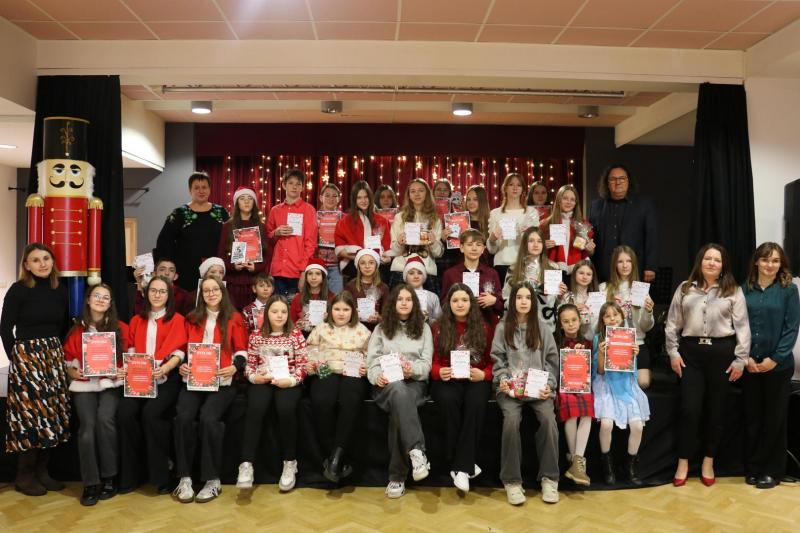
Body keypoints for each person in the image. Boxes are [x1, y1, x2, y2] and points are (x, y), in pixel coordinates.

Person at [665, 243, 750, 487]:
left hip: (721, 355)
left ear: (723, 265)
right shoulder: (684, 288)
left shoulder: (733, 290)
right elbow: (672, 324)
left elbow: (743, 327)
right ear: (700, 262)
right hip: (690, 354)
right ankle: (683, 461)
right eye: (708, 258)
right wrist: (673, 353)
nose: (712, 263)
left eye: (717, 260)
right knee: (689, 410)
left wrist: (740, 360)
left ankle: (708, 461)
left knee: (716, 410)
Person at [1, 243, 70, 496]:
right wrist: (18, 358)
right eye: (36, 260)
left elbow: (63, 326)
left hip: (53, 356)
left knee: (51, 414)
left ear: (52, 262)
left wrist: (57, 355)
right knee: (30, 416)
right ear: (27, 265)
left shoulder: (59, 290)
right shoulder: (18, 290)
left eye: (46, 258)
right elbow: (5, 328)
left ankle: (43, 472)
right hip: (27, 357)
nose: (42, 264)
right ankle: (25, 475)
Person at [172, 277, 248, 503]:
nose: (211, 293)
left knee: (208, 418)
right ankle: (185, 478)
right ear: (201, 294)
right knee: (183, 418)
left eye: (215, 289)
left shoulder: (234, 318)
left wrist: (234, 367)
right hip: (194, 381)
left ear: (222, 292)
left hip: (222, 381)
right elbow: (182, 349)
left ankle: (212, 479)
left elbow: (241, 350)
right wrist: (182, 365)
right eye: (206, 290)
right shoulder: (191, 318)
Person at [491, 281, 560, 505]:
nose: (523, 301)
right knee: (511, 421)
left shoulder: (543, 328)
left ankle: (550, 478)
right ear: (512, 301)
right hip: (511, 391)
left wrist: (549, 384)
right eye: (519, 297)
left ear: (533, 302)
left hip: (538, 390)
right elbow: (498, 360)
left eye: (528, 298)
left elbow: (552, 361)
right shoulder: (502, 328)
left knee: (548, 420)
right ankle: (512, 481)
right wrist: (502, 380)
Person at [118, 276, 187, 494]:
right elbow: (130, 351)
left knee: (151, 414)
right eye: (153, 290)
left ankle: (161, 476)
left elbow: (179, 353)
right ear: (146, 294)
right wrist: (128, 368)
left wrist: (165, 368)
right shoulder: (136, 320)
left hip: (167, 379)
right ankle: (132, 475)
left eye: (162, 291)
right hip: (139, 380)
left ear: (169, 295)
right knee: (125, 413)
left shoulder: (177, 319)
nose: (157, 295)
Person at [62, 284, 128, 506]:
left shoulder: (121, 328)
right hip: (85, 384)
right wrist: (72, 371)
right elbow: (68, 361)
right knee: (87, 429)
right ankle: (91, 482)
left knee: (105, 420)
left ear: (110, 303)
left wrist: (122, 370)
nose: (101, 300)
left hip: (111, 384)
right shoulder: (76, 330)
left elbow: (130, 357)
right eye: (96, 296)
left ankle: (110, 476)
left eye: (105, 297)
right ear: (88, 300)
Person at [741, 243, 800, 489]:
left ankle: (772, 471)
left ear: (780, 264)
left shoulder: (789, 290)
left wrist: (774, 359)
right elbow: (738, 325)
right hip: (750, 365)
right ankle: (754, 468)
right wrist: (746, 358)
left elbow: (791, 328)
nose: (770, 265)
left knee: (774, 420)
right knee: (753, 418)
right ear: (756, 261)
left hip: (778, 366)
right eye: (765, 260)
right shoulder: (744, 289)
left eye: (775, 261)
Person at [367, 284, 433, 499]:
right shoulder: (380, 328)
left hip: (414, 383)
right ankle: (417, 451)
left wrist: (411, 369)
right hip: (386, 384)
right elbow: (372, 362)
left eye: (408, 299)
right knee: (397, 391)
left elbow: (426, 365)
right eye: (400, 299)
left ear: (414, 303)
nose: (404, 303)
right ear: (392, 303)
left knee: (400, 404)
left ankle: (397, 477)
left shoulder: (424, 328)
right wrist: (377, 376)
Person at [237, 295, 307, 493]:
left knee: (285, 408)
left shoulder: (295, 335)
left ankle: (290, 462)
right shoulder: (256, 335)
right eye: (275, 311)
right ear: (267, 313)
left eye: (283, 312)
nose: (279, 315)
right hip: (263, 380)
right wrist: (254, 378)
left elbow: (303, 366)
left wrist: (291, 381)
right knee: (256, 407)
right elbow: (250, 365)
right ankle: (246, 464)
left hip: (288, 381)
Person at [429, 284, 493, 493]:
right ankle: (465, 465)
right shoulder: (438, 327)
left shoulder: (484, 327)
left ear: (471, 303)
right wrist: (438, 371)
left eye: (464, 300)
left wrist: (485, 374)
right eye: (455, 300)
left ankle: (459, 467)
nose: (460, 304)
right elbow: (432, 361)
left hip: (475, 378)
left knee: (476, 403)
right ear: (448, 304)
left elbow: (492, 361)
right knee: (448, 401)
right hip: (448, 378)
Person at [305, 291, 371, 483]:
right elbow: (309, 351)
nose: (341, 313)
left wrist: (365, 367)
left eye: (346, 309)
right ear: (330, 310)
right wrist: (313, 364)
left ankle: (336, 457)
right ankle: (334, 454)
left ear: (353, 311)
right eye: (337, 309)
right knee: (322, 400)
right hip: (326, 369)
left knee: (350, 401)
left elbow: (371, 355)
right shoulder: (321, 328)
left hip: (352, 372)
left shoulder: (363, 331)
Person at [593, 301, 649, 486]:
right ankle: (606, 465)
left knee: (638, 426)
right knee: (606, 424)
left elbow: (631, 371)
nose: (612, 318)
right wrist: (602, 354)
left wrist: (635, 354)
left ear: (622, 316)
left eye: (615, 314)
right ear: (602, 320)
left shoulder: (629, 337)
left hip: (626, 384)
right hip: (607, 383)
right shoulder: (598, 338)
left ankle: (630, 465)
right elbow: (600, 372)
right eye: (607, 316)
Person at [155, 172, 229, 292]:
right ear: (190, 190)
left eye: (204, 187)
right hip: (185, 273)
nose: (201, 191)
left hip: (215, 271)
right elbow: (164, 242)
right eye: (196, 188)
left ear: (210, 189)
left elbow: (230, 238)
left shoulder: (221, 212)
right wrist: (170, 269)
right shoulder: (179, 213)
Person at [588, 165, 658, 282]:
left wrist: (650, 266)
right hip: (603, 271)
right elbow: (590, 238)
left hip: (635, 269)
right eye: (613, 179)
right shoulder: (595, 206)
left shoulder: (644, 205)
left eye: (622, 178)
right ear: (607, 183)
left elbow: (652, 237)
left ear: (628, 181)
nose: (618, 182)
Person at [599, 246, 655, 389]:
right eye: (620, 261)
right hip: (613, 343)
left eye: (628, 261)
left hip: (637, 343)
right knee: (614, 383)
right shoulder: (603, 288)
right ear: (614, 264)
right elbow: (598, 322)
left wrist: (648, 312)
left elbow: (646, 327)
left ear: (633, 264)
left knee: (643, 382)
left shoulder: (640, 289)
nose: (625, 265)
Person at [554, 304, 593, 487]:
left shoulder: (587, 343)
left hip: (582, 386)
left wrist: (580, 354)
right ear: (560, 325)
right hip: (564, 387)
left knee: (587, 409)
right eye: (566, 321)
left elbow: (591, 370)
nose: (570, 324)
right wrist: (569, 354)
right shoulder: (556, 343)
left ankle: (576, 460)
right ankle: (576, 464)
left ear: (580, 320)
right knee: (571, 408)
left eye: (574, 320)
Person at [501, 226, 565, 334]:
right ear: (525, 244)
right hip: (520, 326)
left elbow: (556, 302)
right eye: (531, 241)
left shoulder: (553, 267)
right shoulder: (514, 269)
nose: (536, 245)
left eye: (539, 241)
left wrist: (560, 295)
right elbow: (506, 298)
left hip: (546, 326)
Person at [267, 168, 318, 300]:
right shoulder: (275, 210)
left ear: (302, 187)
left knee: (296, 309)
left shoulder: (309, 210)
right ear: (284, 185)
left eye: (298, 184)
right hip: (277, 271)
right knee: (278, 308)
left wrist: (303, 272)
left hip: (297, 271)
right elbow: (267, 239)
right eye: (291, 183)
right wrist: (276, 233)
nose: (294, 187)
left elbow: (311, 244)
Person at [217, 186, 270, 310]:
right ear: (237, 203)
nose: (246, 201)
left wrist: (256, 267)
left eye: (250, 198)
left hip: (255, 283)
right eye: (242, 198)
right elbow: (220, 255)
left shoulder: (262, 227)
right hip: (233, 282)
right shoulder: (227, 226)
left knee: (253, 317)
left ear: (254, 203)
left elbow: (267, 255)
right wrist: (233, 266)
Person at [387, 178, 443, 290]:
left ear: (427, 193)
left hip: (426, 270)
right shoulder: (399, 217)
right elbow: (393, 251)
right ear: (409, 195)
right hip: (401, 269)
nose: (417, 194)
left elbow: (438, 254)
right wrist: (399, 243)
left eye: (421, 190)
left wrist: (433, 243)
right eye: (413, 191)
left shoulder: (435, 219)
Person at [439, 229, 503, 325]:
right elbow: (444, 304)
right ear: (461, 247)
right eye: (469, 245)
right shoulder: (450, 274)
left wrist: (494, 301)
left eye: (478, 245)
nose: (474, 248)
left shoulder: (491, 273)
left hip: (485, 324)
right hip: (458, 325)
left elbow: (501, 306)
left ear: (483, 249)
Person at [334, 181, 391, 284]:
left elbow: (387, 248)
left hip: (378, 264)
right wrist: (362, 259)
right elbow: (340, 250)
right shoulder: (344, 222)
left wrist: (386, 258)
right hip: (353, 264)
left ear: (370, 198)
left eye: (366, 197)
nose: (363, 201)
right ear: (354, 200)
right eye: (359, 198)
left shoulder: (382, 221)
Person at [487, 173, 538, 284]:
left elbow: (536, 243)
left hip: (524, 264)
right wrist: (492, 238)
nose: (515, 188)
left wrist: (526, 235)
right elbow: (492, 250)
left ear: (523, 189)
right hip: (501, 264)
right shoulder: (495, 213)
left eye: (519, 185)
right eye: (511, 184)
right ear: (505, 188)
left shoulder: (531, 212)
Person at [541, 185, 595, 274]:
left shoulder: (583, 224)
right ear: (559, 200)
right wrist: (543, 245)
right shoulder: (546, 223)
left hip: (577, 271)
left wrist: (590, 248)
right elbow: (537, 249)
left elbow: (590, 252)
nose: (569, 202)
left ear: (576, 203)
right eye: (565, 198)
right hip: (553, 269)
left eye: (572, 199)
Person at [344, 248, 389, 330]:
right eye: (362, 263)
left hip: (376, 330)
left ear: (376, 265)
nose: (367, 266)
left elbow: (387, 317)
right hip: (354, 330)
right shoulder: (350, 286)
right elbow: (344, 311)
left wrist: (378, 318)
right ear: (358, 266)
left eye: (371, 263)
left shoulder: (383, 287)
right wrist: (353, 315)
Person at [289, 258, 335, 335]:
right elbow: (291, 324)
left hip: (326, 336)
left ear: (323, 277)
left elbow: (337, 324)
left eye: (318, 274)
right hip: (304, 337)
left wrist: (329, 319)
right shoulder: (298, 299)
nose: (313, 277)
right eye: (310, 274)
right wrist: (297, 325)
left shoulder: (332, 297)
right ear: (306, 277)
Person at [558, 259, 600, 342]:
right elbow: (559, 320)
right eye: (581, 273)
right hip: (570, 343)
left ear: (592, 277)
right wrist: (572, 309)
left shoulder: (598, 298)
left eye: (588, 274)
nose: (584, 277)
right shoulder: (566, 296)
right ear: (574, 274)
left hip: (593, 342)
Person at [317, 183, 344, 293]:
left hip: (337, 266)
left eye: (334, 196)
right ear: (321, 198)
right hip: (318, 264)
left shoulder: (344, 218)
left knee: (337, 298)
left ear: (339, 198)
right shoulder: (314, 217)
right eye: (327, 195)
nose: (331, 199)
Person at [403, 254, 442, 323]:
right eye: (411, 273)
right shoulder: (399, 295)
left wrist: (428, 319)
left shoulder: (432, 297)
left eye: (420, 273)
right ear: (405, 276)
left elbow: (439, 320)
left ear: (424, 276)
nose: (416, 276)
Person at [463, 185, 492, 265]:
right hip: (462, 265)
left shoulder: (490, 222)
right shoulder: (461, 221)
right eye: (468, 199)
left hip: (485, 266)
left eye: (475, 199)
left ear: (482, 201)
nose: (471, 203)